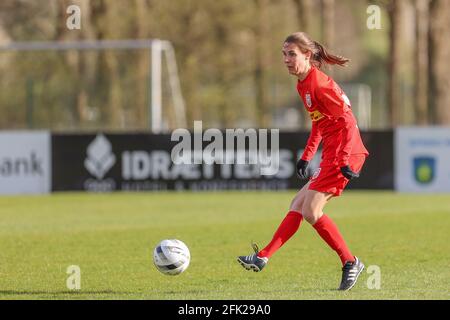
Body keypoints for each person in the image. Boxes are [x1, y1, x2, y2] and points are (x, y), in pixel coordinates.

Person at [237, 32, 369, 291]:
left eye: (292, 54)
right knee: (298, 204)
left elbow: (348, 122)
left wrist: (343, 160)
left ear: (307, 55)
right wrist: (307, 156)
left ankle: (351, 262)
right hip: (334, 152)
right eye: (284, 54)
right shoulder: (303, 84)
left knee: (311, 211)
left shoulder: (319, 84)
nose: (286, 59)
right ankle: (263, 257)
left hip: (346, 153)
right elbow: (320, 122)